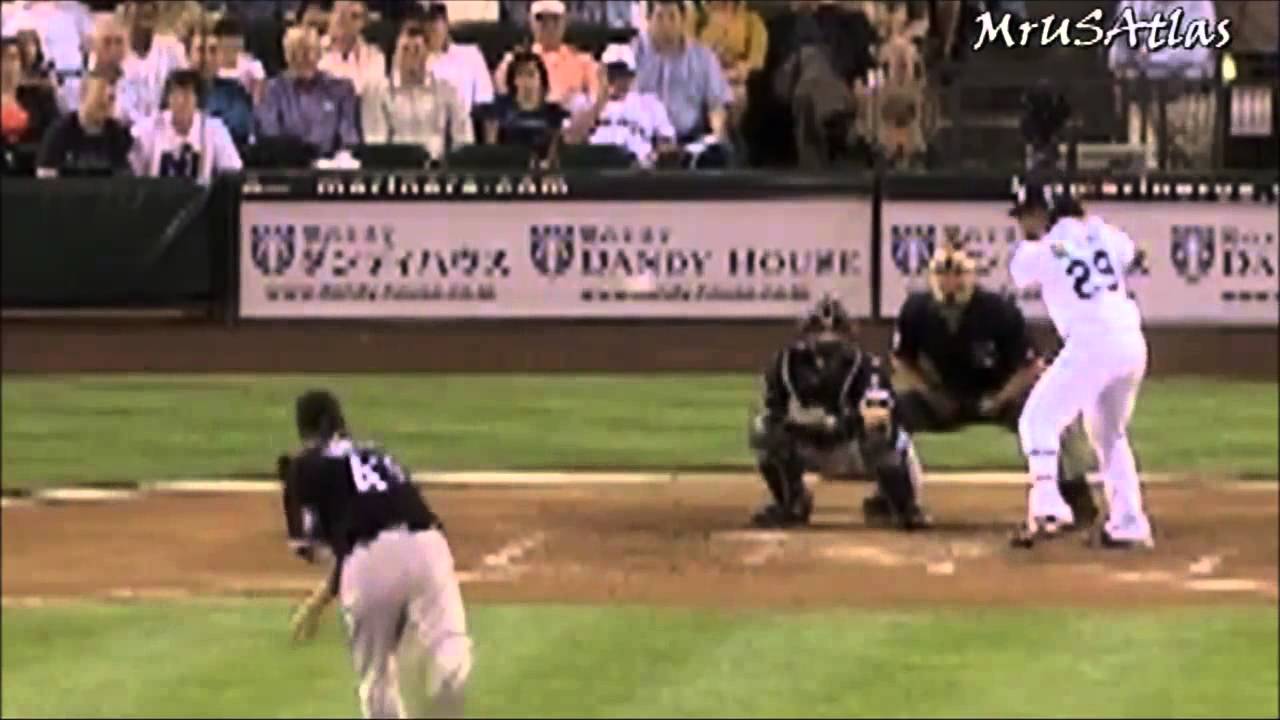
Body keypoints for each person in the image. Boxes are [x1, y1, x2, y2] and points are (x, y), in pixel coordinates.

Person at [281, 389, 472, 719]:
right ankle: (447, 681)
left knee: (377, 677)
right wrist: (318, 601)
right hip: (429, 545)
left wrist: (317, 601)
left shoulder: (307, 465)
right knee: (449, 642)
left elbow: (317, 545)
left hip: (369, 558)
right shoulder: (377, 455)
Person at [890, 243, 1100, 528]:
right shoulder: (916, 310)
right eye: (941, 272)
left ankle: (1075, 494)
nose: (949, 281)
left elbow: (1030, 366)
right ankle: (894, 497)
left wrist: (999, 399)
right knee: (887, 415)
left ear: (972, 276)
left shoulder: (998, 310)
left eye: (958, 273)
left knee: (1049, 415)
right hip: (943, 397)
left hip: (1000, 394)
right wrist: (930, 394)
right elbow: (901, 360)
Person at [1006, 183, 1155, 550]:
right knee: (1108, 434)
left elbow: (1021, 272)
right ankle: (1129, 522)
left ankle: (1049, 507)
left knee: (1037, 420)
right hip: (1131, 341)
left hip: (1092, 342)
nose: (1023, 223)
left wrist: (1053, 240)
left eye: (1028, 214)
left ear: (1046, 212)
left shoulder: (1039, 249)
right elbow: (1134, 254)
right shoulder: (1104, 232)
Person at [748, 294, 932, 530]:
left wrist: (834, 424)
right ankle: (792, 502)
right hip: (809, 447)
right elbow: (769, 411)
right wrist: (798, 425)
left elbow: (880, 415)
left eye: (834, 332)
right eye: (819, 331)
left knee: (879, 432)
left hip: (855, 451)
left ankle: (900, 506)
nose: (826, 338)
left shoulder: (866, 366)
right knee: (763, 429)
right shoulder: (784, 364)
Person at [632, 0, 733, 164]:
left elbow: (716, 104)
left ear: (683, 21)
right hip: (643, 139)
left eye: (672, 17)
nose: (666, 25)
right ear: (649, 20)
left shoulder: (703, 57)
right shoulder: (633, 54)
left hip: (689, 140)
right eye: (659, 17)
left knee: (718, 154)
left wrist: (717, 134)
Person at [362, 26, 472, 161]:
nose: (411, 57)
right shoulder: (378, 91)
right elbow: (376, 142)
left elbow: (463, 136)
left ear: (427, 54)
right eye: (405, 50)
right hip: (397, 164)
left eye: (417, 51)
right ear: (395, 55)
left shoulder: (447, 88)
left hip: (437, 165)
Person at [562, 44, 676, 168]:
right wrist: (600, 101)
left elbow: (667, 141)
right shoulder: (584, 102)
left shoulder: (649, 103)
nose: (617, 80)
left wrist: (653, 157)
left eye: (623, 75)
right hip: (595, 167)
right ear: (601, 74)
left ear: (632, 76)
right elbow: (570, 139)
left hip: (637, 168)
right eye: (612, 75)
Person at [257, 25, 361, 158]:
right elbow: (271, 135)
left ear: (319, 54)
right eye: (297, 52)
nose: (304, 58)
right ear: (287, 56)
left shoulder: (341, 89)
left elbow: (349, 138)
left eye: (310, 51)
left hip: (331, 165)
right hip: (289, 164)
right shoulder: (272, 91)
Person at [129, 68, 242, 182]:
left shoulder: (214, 129)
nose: (180, 101)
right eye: (175, 95)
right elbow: (133, 173)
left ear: (197, 100)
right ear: (168, 99)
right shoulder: (149, 127)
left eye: (186, 95)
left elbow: (232, 170)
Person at [493, 0, 598, 106]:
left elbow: (597, 101)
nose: (549, 25)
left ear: (565, 21)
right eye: (541, 18)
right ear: (530, 21)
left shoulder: (584, 62)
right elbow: (503, 100)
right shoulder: (512, 61)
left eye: (555, 19)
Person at [35, 68, 133, 177]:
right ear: (84, 92)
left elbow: (124, 178)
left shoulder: (116, 133)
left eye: (113, 96)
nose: (109, 95)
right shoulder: (58, 132)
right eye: (102, 88)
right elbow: (45, 178)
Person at [481, 50, 568, 166]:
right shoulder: (499, 109)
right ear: (513, 79)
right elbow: (490, 152)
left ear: (541, 79)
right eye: (520, 75)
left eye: (531, 74)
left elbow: (558, 154)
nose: (525, 80)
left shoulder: (554, 112)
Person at [185, 24, 255, 149]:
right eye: (200, 50)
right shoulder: (173, 89)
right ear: (188, 55)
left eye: (213, 51)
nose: (206, 58)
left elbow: (239, 131)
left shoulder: (234, 92)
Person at [419, 2, 494, 116]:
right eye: (425, 24)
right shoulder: (414, 60)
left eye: (434, 23)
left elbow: (485, 98)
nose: (429, 28)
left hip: (465, 121)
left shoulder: (471, 54)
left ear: (447, 25)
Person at [318, 0, 386, 98]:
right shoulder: (314, 50)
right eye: (341, 13)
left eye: (354, 16)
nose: (346, 20)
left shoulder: (375, 57)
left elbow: (374, 94)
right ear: (331, 16)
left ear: (364, 22)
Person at [2, 35, 60, 148]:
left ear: (21, 63)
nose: (7, 65)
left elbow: (56, 135)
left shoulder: (41, 96)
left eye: (13, 58)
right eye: (2, 59)